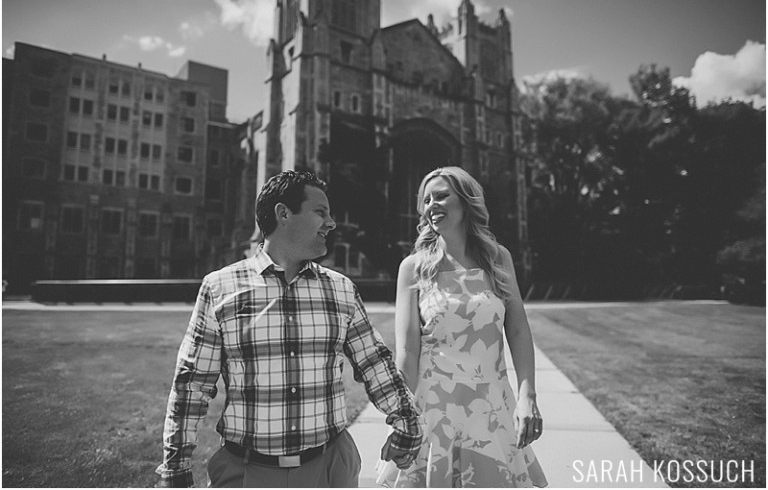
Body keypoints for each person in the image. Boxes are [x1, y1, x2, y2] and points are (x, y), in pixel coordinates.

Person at [156, 170, 422, 488]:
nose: (332, 223)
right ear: (284, 213)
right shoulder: (219, 288)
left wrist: (407, 422)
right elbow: (192, 386)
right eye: (320, 212)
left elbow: (375, 364)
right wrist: (175, 467)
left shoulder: (341, 289)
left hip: (331, 470)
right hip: (248, 473)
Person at [377, 167, 548, 487]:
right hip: (434, 412)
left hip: (492, 410)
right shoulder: (413, 268)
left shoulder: (498, 259)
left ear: (467, 202)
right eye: (426, 200)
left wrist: (528, 397)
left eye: (441, 196)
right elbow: (407, 350)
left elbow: (519, 331)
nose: (431, 205)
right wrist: (401, 418)